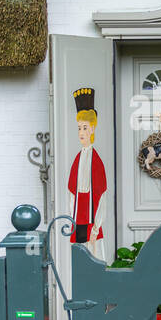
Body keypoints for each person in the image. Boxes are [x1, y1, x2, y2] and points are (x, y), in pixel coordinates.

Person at [68, 88, 107, 261]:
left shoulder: (96, 160)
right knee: (80, 258)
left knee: (94, 256)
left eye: (84, 128)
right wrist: (73, 218)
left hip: (91, 215)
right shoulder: (79, 157)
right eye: (79, 128)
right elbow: (71, 192)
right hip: (78, 216)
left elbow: (101, 194)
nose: (81, 132)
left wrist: (96, 227)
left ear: (92, 129)